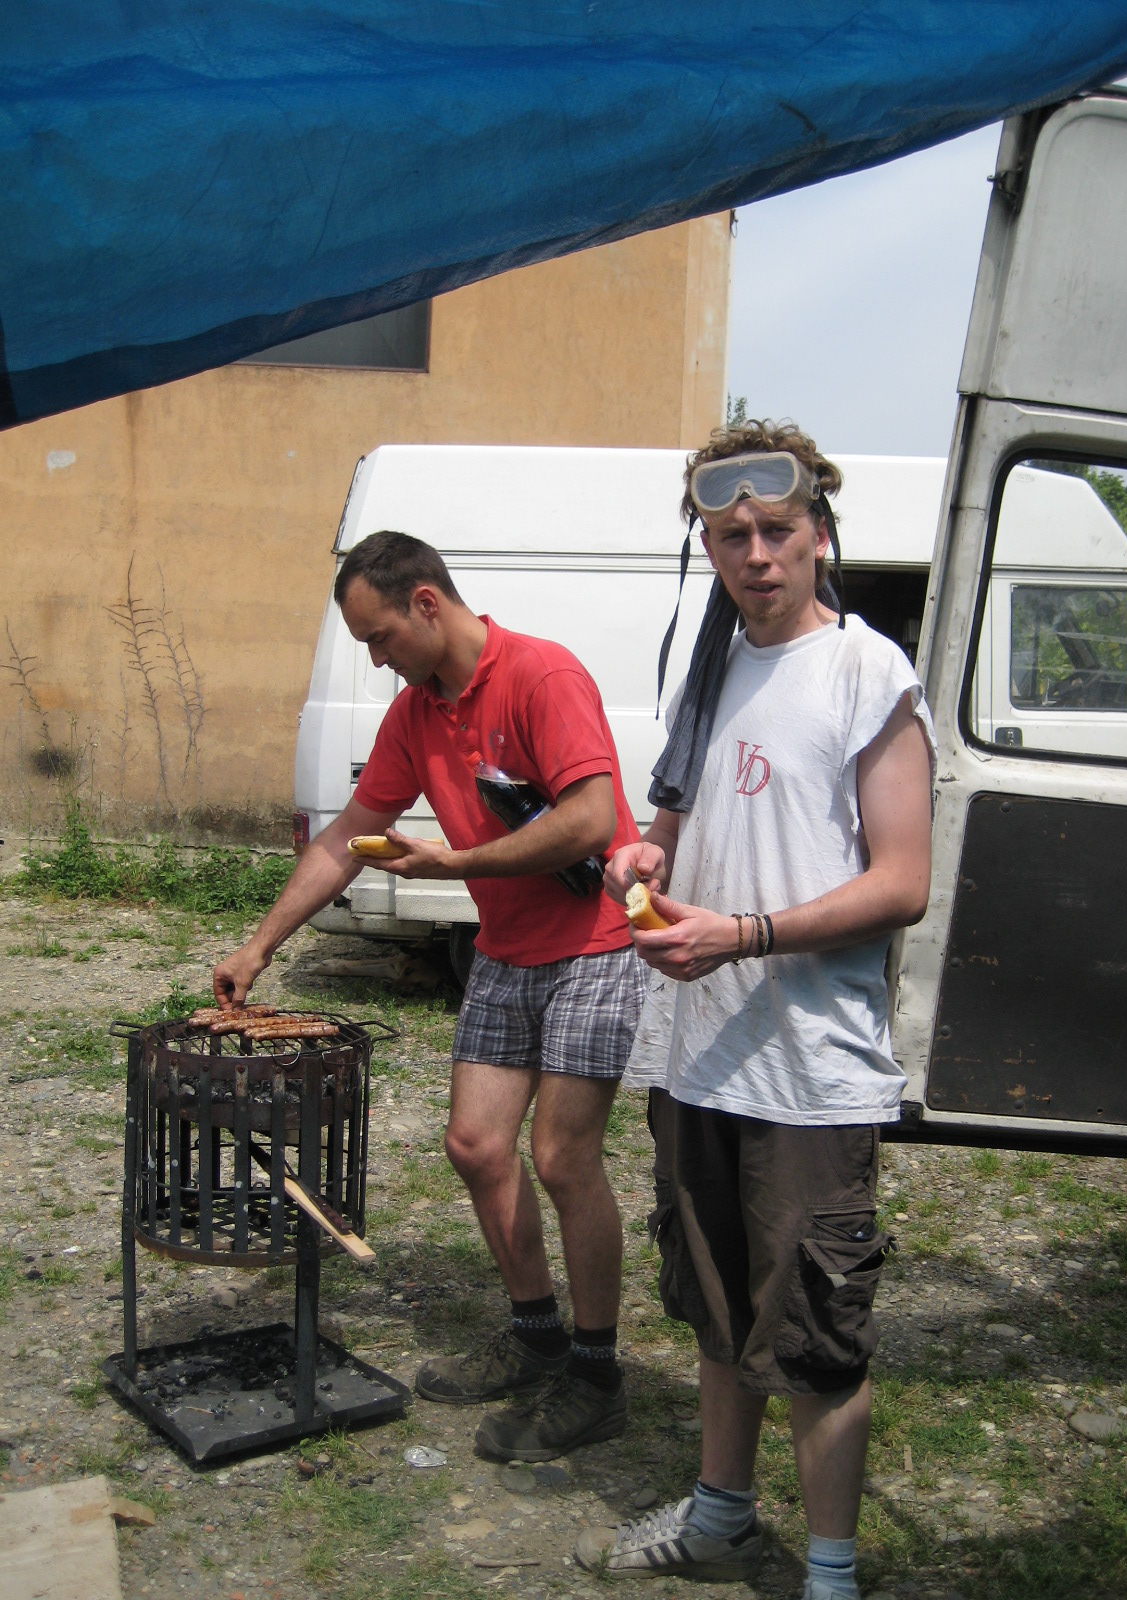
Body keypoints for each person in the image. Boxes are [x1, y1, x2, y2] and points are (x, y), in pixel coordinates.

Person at [573, 422, 936, 1597]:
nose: (757, 554)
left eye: (778, 530)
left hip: (808, 1073)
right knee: (716, 1311)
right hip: (698, 1057)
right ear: (710, 548)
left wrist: (745, 933)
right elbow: (675, 827)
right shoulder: (713, 668)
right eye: (731, 536)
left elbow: (904, 883)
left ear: (819, 534)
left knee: (819, 1340)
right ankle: (722, 1516)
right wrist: (645, 855)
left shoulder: (869, 671)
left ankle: (830, 1576)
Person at [214, 530, 645, 1461]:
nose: (376, 659)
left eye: (380, 637)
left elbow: (592, 821)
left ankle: (597, 1374)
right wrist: (259, 944)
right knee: (476, 1145)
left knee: (563, 1159)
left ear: (425, 602)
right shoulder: (416, 714)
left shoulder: (541, 675)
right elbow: (347, 835)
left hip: (593, 945)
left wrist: (456, 861)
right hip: (507, 950)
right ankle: (536, 1335)